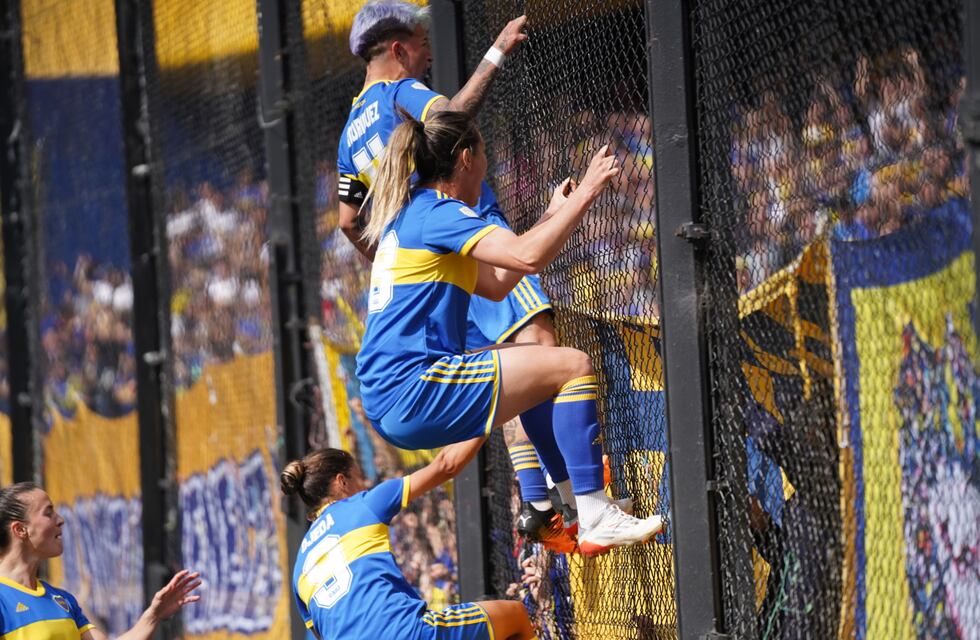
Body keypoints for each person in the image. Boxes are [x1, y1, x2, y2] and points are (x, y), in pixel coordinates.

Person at [355, 109, 664, 555]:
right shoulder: (438, 213)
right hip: (412, 388)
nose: (486, 166)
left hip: (392, 399)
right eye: (484, 155)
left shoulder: (412, 217)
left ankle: (577, 503)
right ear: (465, 158)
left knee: (538, 376)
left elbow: (499, 284)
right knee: (573, 365)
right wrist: (589, 190)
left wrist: (550, 214)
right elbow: (528, 258)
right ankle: (595, 513)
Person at [337, 0, 585, 551]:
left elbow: (348, 220)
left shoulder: (351, 130)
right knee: (538, 345)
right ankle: (569, 498)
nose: (427, 54)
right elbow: (451, 121)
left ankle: (543, 502)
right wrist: (495, 53)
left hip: (424, 272)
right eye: (422, 44)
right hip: (461, 228)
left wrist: (393, 267)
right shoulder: (396, 92)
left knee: (507, 375)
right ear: (399, 49)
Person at [282, 439, 537, 640]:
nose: (365, 484)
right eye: (359, 478)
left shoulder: (298, 573)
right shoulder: (363, 505)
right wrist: (490, 410)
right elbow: (446, 465)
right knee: (516, 616)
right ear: (341, 481)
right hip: (409, 633)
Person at [0, 482, 200, 640]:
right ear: (20, 529)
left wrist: (154, 615)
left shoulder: (63, 600)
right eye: (48, 512)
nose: (60, 519)